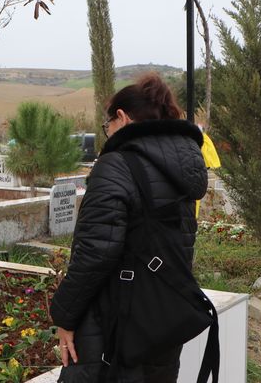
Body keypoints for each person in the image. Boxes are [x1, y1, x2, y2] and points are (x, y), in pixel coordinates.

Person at [50, 73, 208, 382]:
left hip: (114, 321)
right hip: (163, 315)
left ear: (121, 118)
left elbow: (96, 251)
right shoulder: (184, 169)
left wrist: (65, 316)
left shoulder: (116, 165)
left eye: (107, 125)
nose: (107, 133)